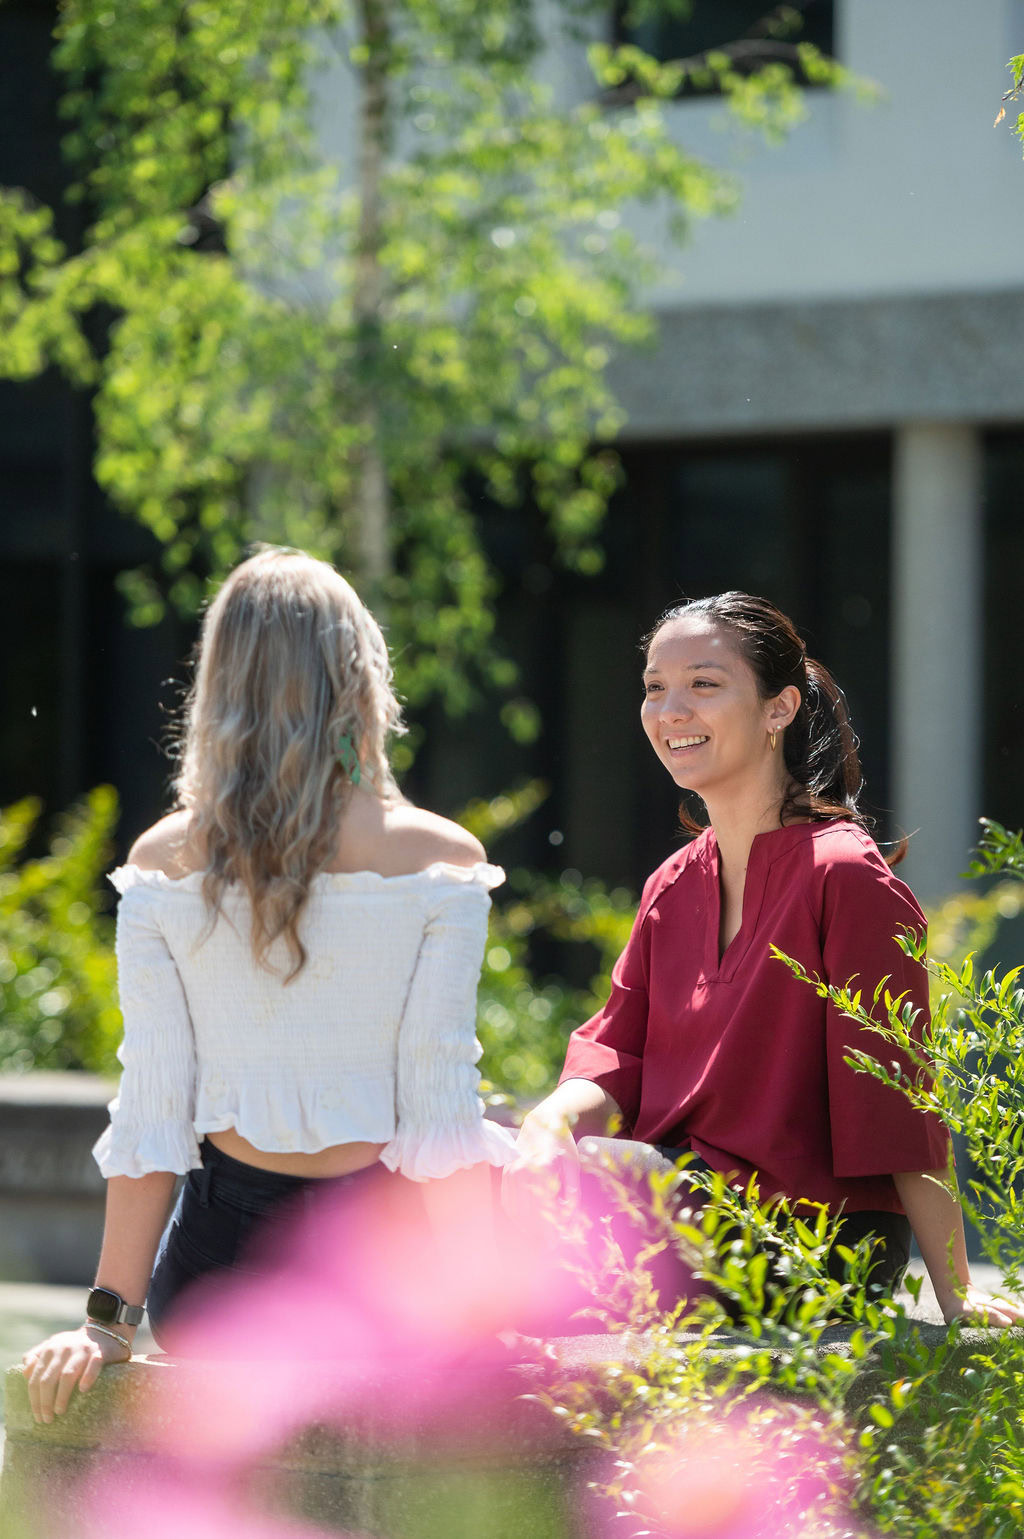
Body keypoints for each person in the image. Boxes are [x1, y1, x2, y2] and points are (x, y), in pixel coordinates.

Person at [22, 546, 515, 1422]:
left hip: (219, 1273)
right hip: (376, 1264)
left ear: (219, 684)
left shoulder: (162, 861)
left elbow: (153, 1111)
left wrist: (105, 1321)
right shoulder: (439, 860)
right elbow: (439, 1116)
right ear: (360, 674)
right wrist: (484, 1329)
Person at [507, 592, 1023, 1327]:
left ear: (779, 708)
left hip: (817, 1240)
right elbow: (615, 1051)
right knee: (479, 1151)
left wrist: (956, 1292)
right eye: (656, 687)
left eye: (704, 684)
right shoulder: (672, 884)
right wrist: (549, 1121)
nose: (670, 709)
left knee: (599, 1179)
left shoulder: (844, 876)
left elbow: (901, 1103)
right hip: (684, 1204)